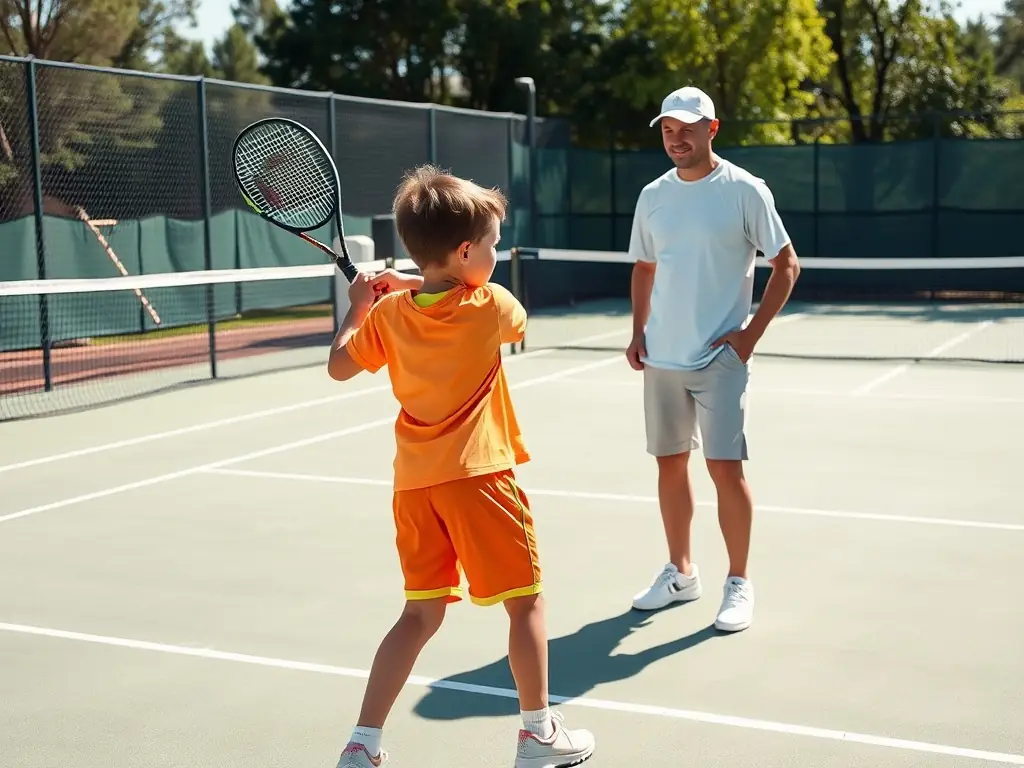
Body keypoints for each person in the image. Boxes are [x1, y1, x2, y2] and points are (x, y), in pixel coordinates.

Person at [326, 165, 596, 768]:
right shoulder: (490, 305)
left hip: (415, 490)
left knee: (419, 614)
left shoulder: (388, 318)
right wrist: (419, 284)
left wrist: (360, 307)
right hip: (481, 481)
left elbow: (340, 366)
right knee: (525, 602)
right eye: (494, 246)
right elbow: (512, 320)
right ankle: (538, 736)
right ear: (467, 249)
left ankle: (361, 744)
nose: (497, 256)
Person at [625, 87, 801, 633]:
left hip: (720, 360)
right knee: (669, 464)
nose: (676, 139)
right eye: (667, 130)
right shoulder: (653, 195)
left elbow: (786, 265)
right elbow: (644, 268)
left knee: (725, 470)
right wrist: (638, 333)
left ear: (712, 130)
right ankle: (681, 573)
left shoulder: (746, 190)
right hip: (662, 359)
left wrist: (749, 337)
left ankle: (738, 582)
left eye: (687, 129)